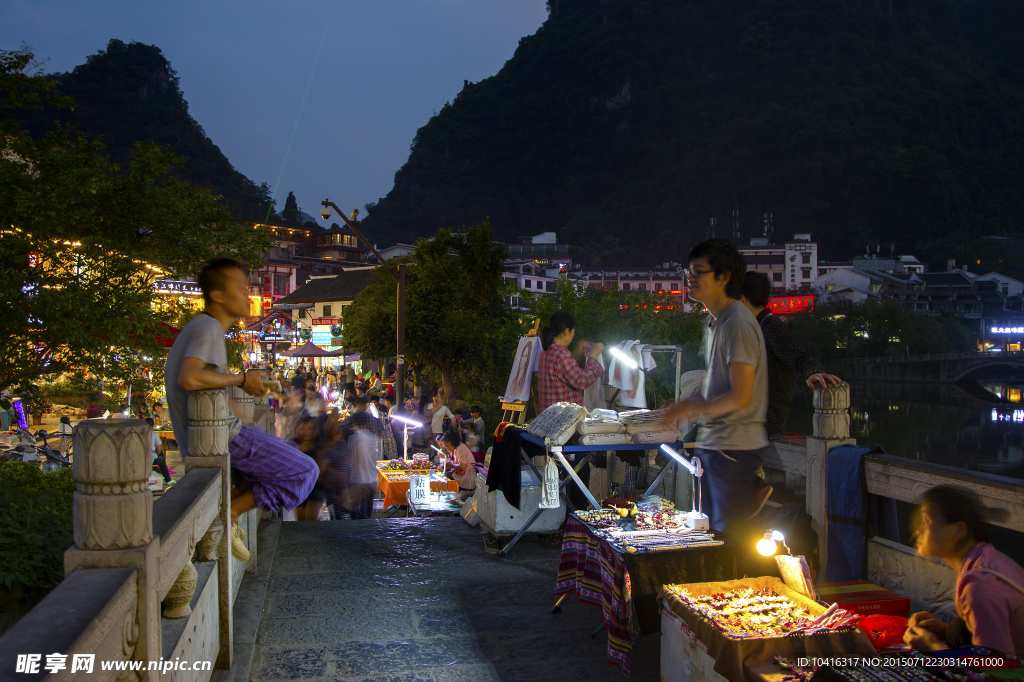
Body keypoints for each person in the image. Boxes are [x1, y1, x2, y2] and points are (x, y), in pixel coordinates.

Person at [165, 257, 318, 562]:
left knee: (289, 449)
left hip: (217, 434)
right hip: (222, 434)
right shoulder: (208, 326)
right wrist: (239, 379)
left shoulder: (203, 328)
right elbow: (190, 377)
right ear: (217, 295)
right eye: (238, 287)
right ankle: (231, 513)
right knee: (304, 470)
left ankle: (229, 510)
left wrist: (247, 383)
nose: (246, 294)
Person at [662, 239, 772, 536]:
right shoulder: (715, 322)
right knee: (713, 533)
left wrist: (691, 405)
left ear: (723, 277)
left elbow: (740, 395)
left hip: (733, 447)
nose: (691, 279)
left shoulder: (737, 323)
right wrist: (683, 405)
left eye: (699, 272)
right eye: (689, 272)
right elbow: (716, 386)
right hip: (716, 445)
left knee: (728, 537)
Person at [905, 485, 1024, 656]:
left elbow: (996, 668)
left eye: (927, 521)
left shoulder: (980, 585)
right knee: (957, 629)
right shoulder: (987, 559)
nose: (918, 530)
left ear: (958, 530)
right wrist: (945, 632)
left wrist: (933, 648)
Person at [740, 271, 840, 435]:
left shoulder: (771, 326)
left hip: (767, 418)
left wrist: (813, 372)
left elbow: (799, 355)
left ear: (742, 300)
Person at [537, 311, 605, 511]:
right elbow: (581, 380)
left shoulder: (547, 352)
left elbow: (566, 373)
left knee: (563, 474)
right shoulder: (560, 354)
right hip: (565, 428)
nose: (574, 335)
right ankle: (577, 519)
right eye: (573, 332)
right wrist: (593, 357)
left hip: (550, 426)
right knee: (578, 472)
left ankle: (565, 517)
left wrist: (577, 352)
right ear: (567, 330)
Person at [441, 429, 476, 503]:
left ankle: (451, 496)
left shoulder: (461, 447)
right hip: (461, 472)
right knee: (445, 472)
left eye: (447, 446)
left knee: (445, 475)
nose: (447, 448)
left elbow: (462, 467)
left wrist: (450, 464)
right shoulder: (456, 448)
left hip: (467, 475)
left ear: (453, 442)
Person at [145, 417, 173, 487]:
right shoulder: (154, 434)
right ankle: (168, 480)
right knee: (162, 459)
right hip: (150, 457)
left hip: (141, 456)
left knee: (159, 455)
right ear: (152, 426)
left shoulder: (139, 434)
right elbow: (158, 448)